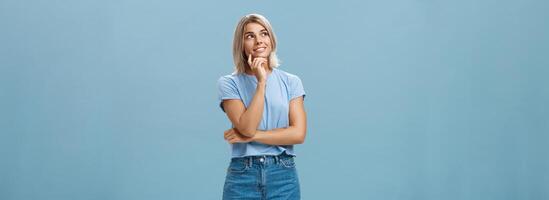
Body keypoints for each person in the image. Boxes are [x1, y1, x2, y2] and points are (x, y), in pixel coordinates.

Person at [217, 13, 307, 200]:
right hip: (243, 174)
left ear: (271, 39)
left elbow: (298, 134)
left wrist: (252, 136)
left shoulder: (291, 82)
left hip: (283, 173)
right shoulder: (229, 83)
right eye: (250, 36)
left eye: (263, 33)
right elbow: (246, 127)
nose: (259, 41)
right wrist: (262, 83)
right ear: (241, 44)